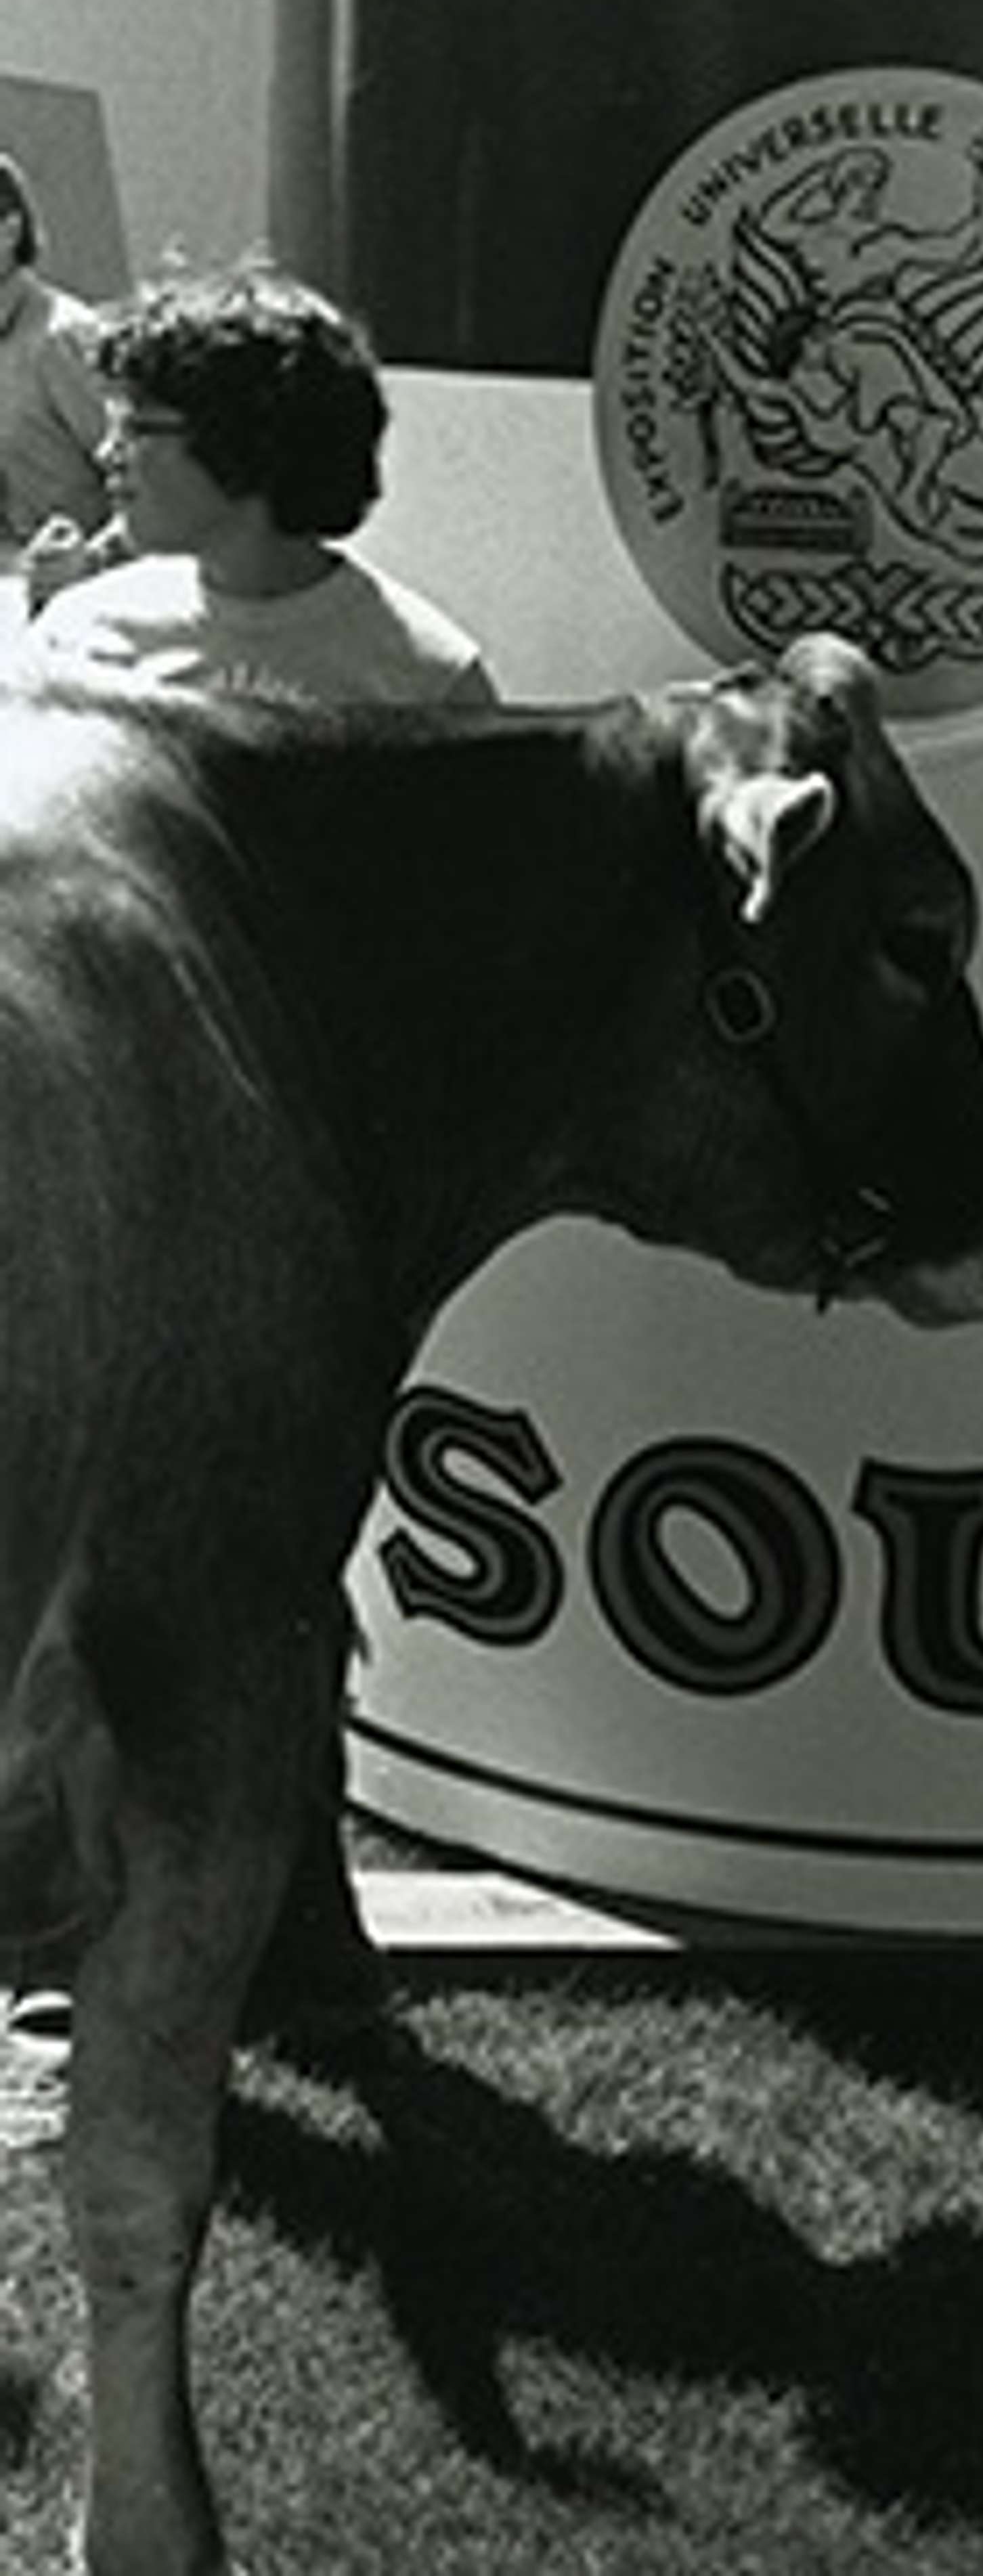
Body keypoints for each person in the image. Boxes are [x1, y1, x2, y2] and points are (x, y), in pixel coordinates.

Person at [14, 260, 495, 2052]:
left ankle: (303, 1924)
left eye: (144, 425)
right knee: (98, 1550)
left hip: (301, 1199)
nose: (108, 445)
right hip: (103, 1180)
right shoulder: (88, 629)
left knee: (281, 1554)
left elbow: (459, 966)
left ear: (247, 451)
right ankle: (91, 1921)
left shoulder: (413, 671)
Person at [20, 260, 494, 709]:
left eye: (137, 429)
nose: (107, 454)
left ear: (244, 441)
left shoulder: (431, 682)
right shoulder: (76, 638)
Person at [0, 152, 112, 561]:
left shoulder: (63, 338)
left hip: (80, 594)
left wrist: (89, 562)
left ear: (9, 231)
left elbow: (150, 485)